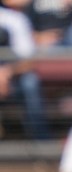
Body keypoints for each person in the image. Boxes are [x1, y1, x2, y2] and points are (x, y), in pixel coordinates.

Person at [0, 2, 50, 139]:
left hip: (13, 79)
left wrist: (6, 72)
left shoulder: (15, 18)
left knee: (30, 82)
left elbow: (29, 61)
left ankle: (41, 144)